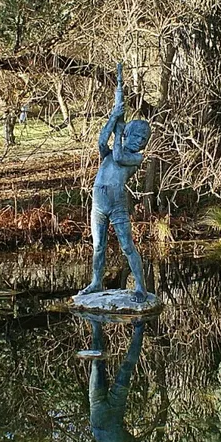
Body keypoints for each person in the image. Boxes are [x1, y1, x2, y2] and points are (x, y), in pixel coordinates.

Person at [79, 64, 150, 298]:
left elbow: (119, 155)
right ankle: (96, 282)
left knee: (126, 245)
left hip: (117, 203)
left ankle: (140, 286)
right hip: (99, 201)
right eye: (137, 135)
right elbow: (102, 142)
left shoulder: (134, 158)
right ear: (130, 133)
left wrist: (119, 131)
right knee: (98, 245)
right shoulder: (107, 154)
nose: (140, 141)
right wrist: (113, 117)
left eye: (144, 139)